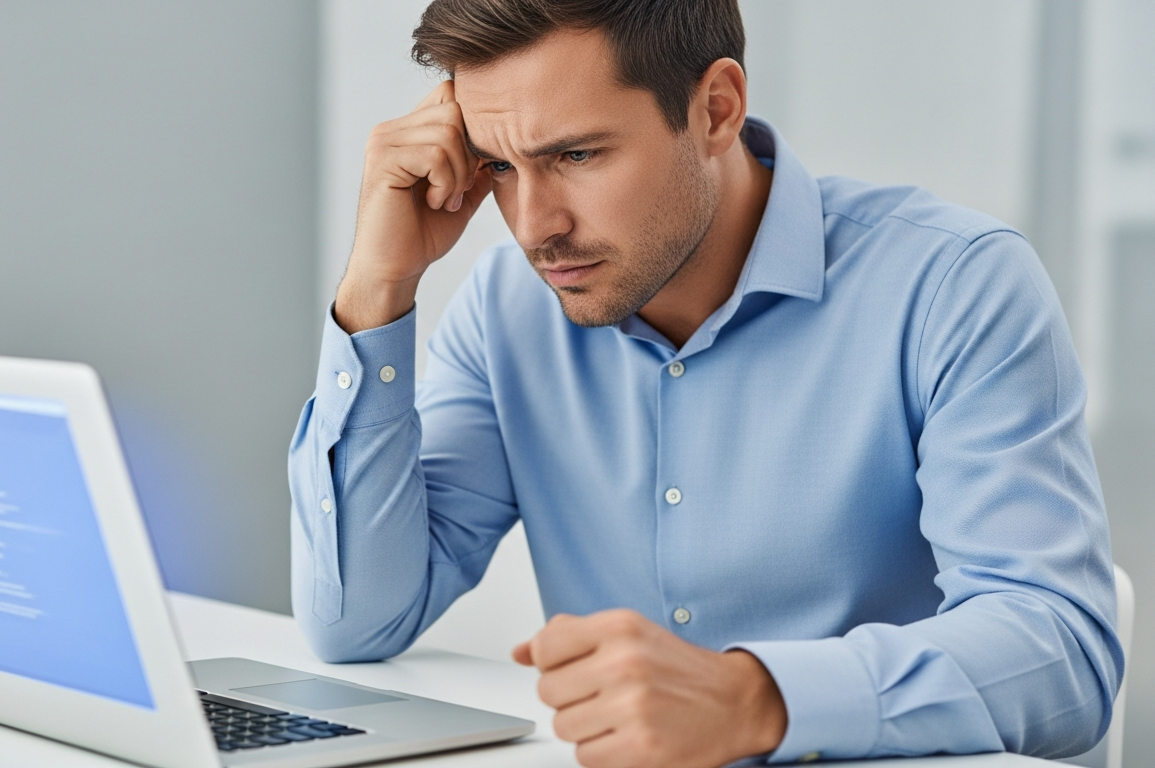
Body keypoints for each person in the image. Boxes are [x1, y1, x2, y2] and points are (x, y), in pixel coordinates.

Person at [287, 1, 1122, 765]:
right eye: (499, 167)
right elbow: (357, 621)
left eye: (575, 154)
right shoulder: (507, 312)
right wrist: (375, 292)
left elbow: (1061, 655)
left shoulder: (954, 287)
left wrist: (757, 700)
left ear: (716, 109)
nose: (535, 227)